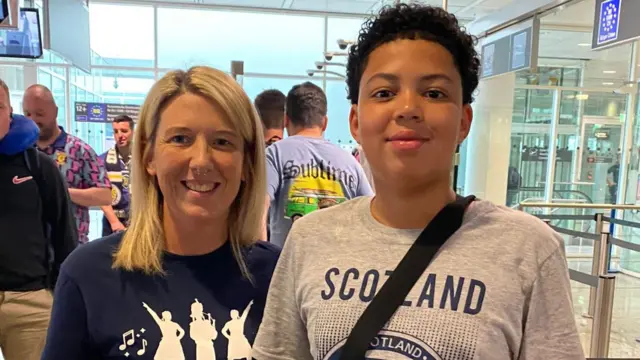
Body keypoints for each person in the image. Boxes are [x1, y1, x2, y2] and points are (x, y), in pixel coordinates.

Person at [253, 4, 584, 360]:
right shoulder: (310, 239)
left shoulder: (528, 249)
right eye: (383, 93)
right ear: (355, 122)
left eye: (434, 93)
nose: (407, 108)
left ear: (463, 121)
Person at [41, 66, 281, 360]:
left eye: (222, 141)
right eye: (180, 139)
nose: (201, 161)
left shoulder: (278, 275)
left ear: (246, 162)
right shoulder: (88, 275)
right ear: (149, 156)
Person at [0, 79, 77, 360]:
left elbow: (64, 233)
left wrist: (60, 294)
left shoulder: (39, 166)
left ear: (10, 114)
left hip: (30, 302)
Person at [264, 81, 373, 246]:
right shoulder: (350, 163)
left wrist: (259, 258)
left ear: (286, 121)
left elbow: (259, 207)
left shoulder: (275, 154)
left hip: (286, 267)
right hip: (336, 267)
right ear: (325, 122)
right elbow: (371, 214)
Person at [23, 84, 112, 243]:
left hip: (70, 248)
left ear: (55, 112)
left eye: (40, 114)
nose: (33, 120)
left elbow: (105, 195)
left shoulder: (80, 150)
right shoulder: (20, 152)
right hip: (29, 250)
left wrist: (62, 192)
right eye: (27, 114)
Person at [100, 114, 134, 236]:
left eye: (124, 131)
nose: (120, 135)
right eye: (116, 131)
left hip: (138, 221)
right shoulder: (102, 160)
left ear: (133, 132)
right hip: (112, 223)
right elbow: (101, 194)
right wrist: (114, 222)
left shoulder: (144, 160)